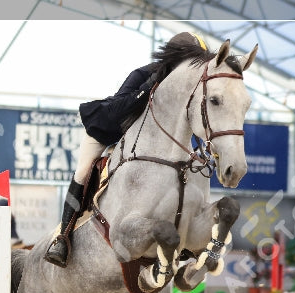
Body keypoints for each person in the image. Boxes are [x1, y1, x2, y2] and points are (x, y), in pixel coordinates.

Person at [44, 31, 209, 267]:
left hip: (143, 143)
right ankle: (63, 238)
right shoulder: (144, 74)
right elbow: (119, 110)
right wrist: (149, 87)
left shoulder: (184, 89)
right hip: (109, 129)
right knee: (83, 171)